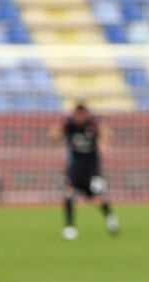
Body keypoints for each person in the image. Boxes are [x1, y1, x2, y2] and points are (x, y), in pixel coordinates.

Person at [49, 103, 119, 240]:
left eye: (83, 113)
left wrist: (104, 137)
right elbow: (52, 136)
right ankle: (70, 228)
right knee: (68, 194)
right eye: (77, 113)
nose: (80, 116)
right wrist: (58, 129)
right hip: (75, 166)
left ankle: (110, 218)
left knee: (97, 198)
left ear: (87, 114)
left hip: (92, 166)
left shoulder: (94, 124)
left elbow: (108, 134)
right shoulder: (69, 125)